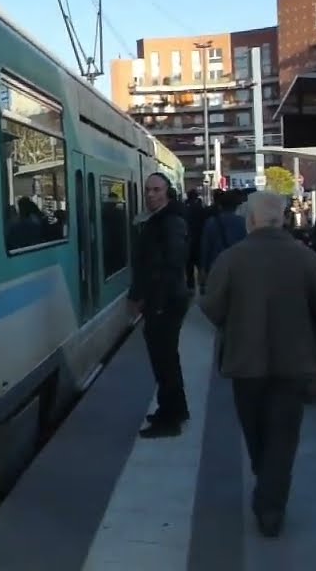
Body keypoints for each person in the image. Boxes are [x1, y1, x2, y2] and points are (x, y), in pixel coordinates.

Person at [199, 191, 316, 538]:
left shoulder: (231, 259)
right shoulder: (306, 258)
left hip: (245, 363)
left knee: (255, 430)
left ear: (250, 221)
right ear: (284, 219)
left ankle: (267, 487)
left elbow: (212, 307)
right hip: (294, 362)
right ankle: (271, 503)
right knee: (283, 434)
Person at [127, 172, 191, 438]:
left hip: (165, 301)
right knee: (167, 360)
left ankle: (169, 419)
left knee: (164, 361)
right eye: (148, 190)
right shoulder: (160, 219)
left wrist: (155, 301)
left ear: (167, 192)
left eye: (156, 190)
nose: (151, 194)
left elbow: (170, 265)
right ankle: (177, 409)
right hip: (162, 299)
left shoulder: (170, 222)